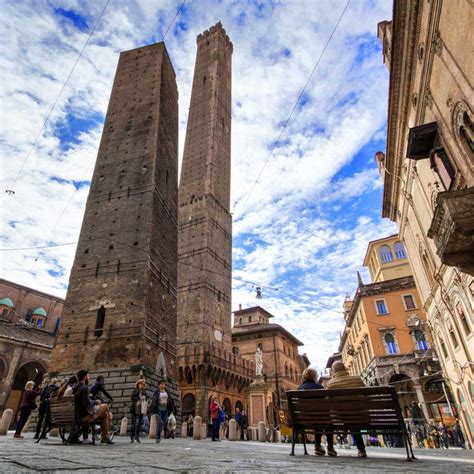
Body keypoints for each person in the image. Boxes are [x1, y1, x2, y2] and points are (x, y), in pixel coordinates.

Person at [325, 361, 368, 458]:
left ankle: (330, 447)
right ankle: (361, 449)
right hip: (360, 416)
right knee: (353, 419)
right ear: (345, 368)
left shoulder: (330, 384)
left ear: (333, 372)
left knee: (345, 417)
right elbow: (366, 396)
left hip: (340, 418)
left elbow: (328, 402)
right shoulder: (357, 380)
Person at [297, 368, 331, 455]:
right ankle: (329, 447)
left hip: (303, 420)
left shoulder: (298, 390)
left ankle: (318, 446)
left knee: (318, 418)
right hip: (320, 419)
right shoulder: (320, 388)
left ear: (304, 377)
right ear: (315, 377)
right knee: (325, 419)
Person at [74, 369, 113, 444]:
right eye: (88, 376)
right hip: (84, 417)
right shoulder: (84, 388)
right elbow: (87, 404)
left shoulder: (75, 388)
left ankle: (104, 436)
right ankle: (107, 429)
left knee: (105, 414)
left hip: (77, 415)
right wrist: (96, 402)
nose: (89, 377)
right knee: (105, 406)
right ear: (85, 377)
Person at [130, 379, 147, 443]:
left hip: (141, 409)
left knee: (139, 423)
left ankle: (137, 436)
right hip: (135, 409)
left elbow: (146, 399)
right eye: (140, 384)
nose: (141, 385)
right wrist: (139, 398)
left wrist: (144, 398)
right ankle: (132, 437)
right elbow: (132, 398)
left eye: (142, 384)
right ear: (138, 384)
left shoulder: (144, 392)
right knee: (134, 423)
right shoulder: (135, 391)